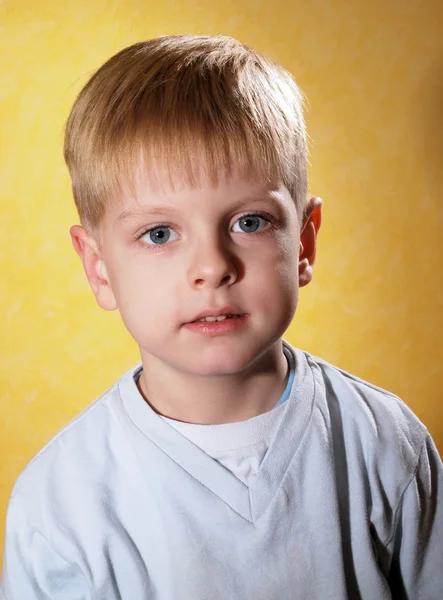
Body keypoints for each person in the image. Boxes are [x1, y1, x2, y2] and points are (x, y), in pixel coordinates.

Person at [1, 34, 442, 600]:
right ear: (99, 267)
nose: (212, 267)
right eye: (159, 233)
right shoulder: (60, 503)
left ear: (304, 243)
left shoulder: (386, 445)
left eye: (249, 223)